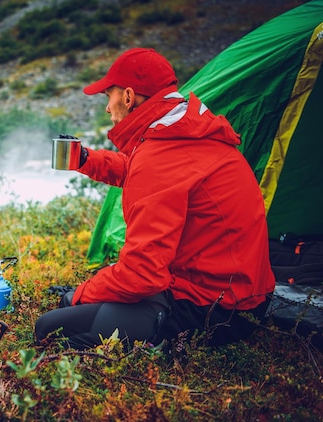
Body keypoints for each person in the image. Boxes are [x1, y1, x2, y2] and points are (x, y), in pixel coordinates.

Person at [35, 48, 275, 350]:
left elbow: (141, 275)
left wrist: (79, 295)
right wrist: (85, 159)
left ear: (128, 97)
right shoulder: (183, 132)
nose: (107, 108)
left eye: (108, 96)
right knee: (88, 305)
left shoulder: (160, 155)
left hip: (216, 310)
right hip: (243, 295)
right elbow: (143, 170)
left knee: (50, 329)